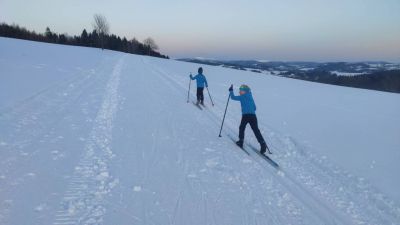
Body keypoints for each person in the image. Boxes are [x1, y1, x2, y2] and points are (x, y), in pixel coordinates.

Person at [229, 84, 268, 154]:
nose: (240, 92)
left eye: (241, 91)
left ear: (245, 91)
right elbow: (255, 107)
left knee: (242, 128)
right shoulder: (250, 96)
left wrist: (231, 91)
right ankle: (263, 144)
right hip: (253, 116)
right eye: (239, 90)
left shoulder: (242, 97)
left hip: (246, 116)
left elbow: (233, 97)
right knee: (256, 130)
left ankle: (241, 141)